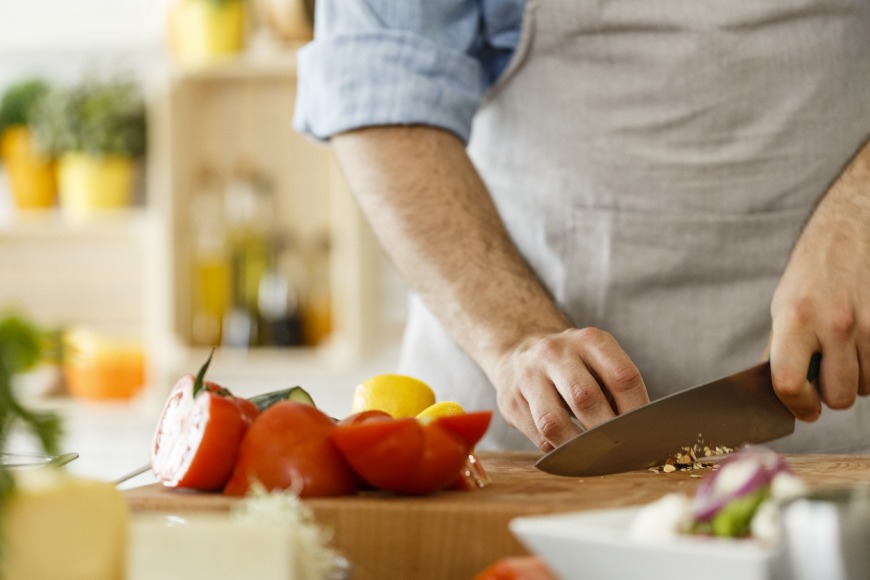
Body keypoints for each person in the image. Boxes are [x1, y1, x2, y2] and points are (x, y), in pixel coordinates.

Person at [294, 0, 870, 453]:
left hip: (838, 426)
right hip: (518, 431)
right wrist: (515, 335)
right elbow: (378, 93)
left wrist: (859, 213)